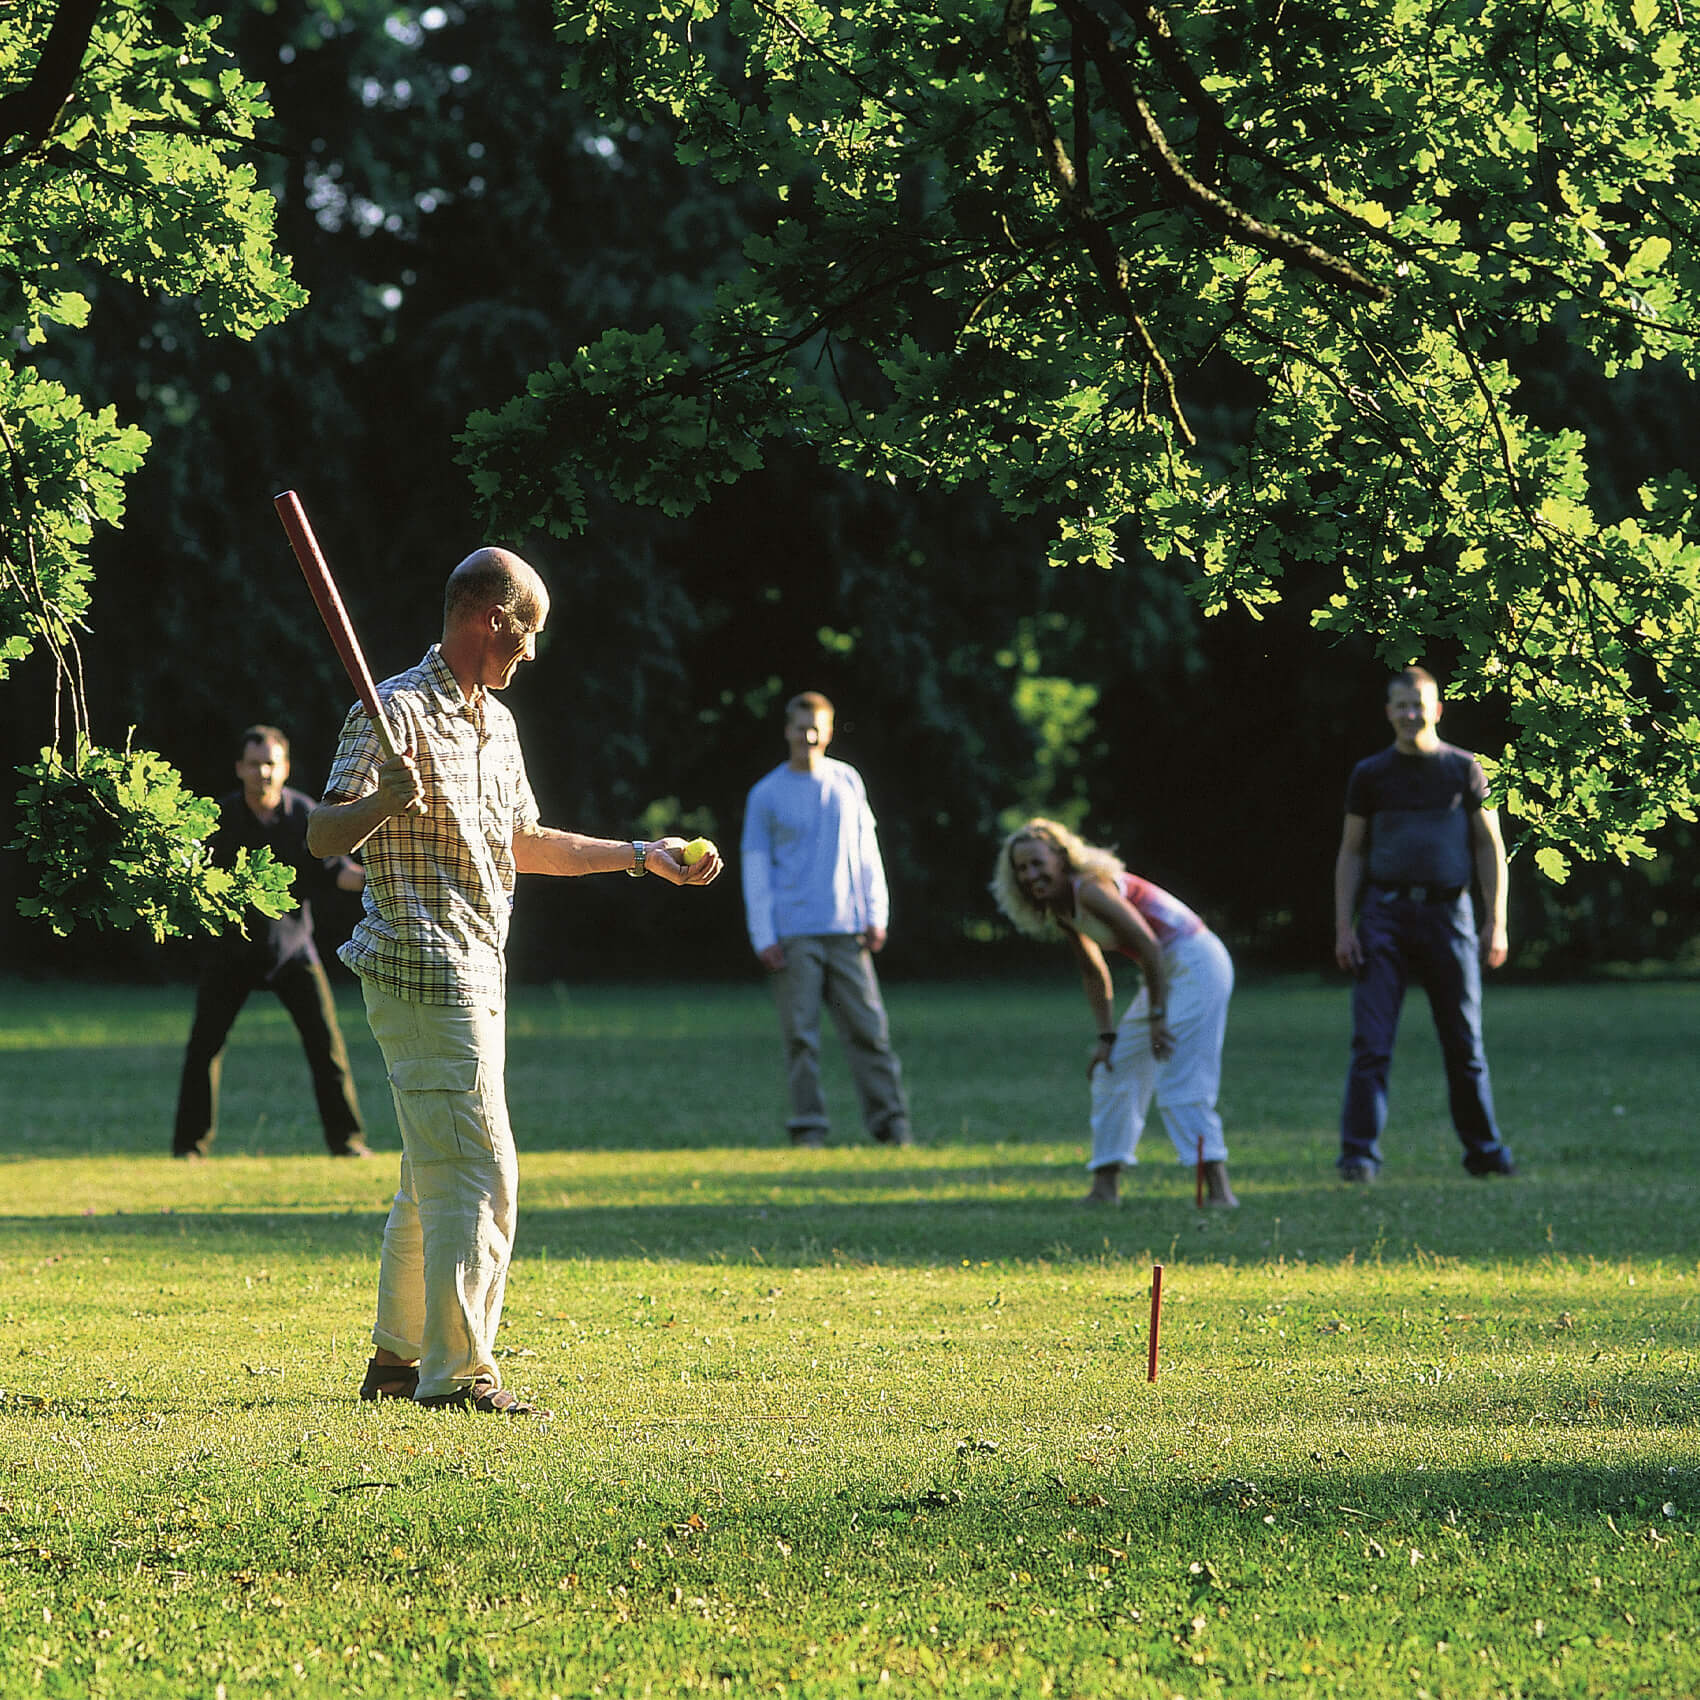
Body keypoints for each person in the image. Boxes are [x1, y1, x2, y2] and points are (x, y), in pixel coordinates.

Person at [307, 546, 721, 1416]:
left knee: (434, 1173)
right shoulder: (390, 711)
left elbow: (526, 843)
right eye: (527, 632)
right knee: (481, 1172)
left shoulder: (497, 726)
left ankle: (395, 1360)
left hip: (480, 968)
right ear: (492, 618)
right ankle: (458, 1377)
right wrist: (381, 802)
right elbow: (321, 836)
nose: (532, 652)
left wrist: (643, 857)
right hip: (421, 967)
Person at [991, 818, 1238, 1208]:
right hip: (1166, 969)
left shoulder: (1089, 889)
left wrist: (1158, 1015)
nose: (1030, 875)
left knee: (1179, 1075)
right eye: (1021, 869)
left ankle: (1219, 1192)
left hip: (1196, 961)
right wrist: (1107, 1038)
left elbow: (1150, 945)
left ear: (1061, 856)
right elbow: (1093, 971)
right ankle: (1104, 1189)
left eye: (1037, 863)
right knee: (1115, 1068)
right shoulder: (1061, 908)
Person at [1333, 666, 1516, 1182]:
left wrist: (1495, 921)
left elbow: (1489, 846)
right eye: (1401, 704)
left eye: (1420, 703)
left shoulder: (1465, 769)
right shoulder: (1370, 774)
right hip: (1383, 917)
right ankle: (1358, 1157)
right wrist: (1344, 927)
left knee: (1465, 1043)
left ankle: (1485, 1152)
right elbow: (1351, 852)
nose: (1411, 713)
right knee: (1371, 1043)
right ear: (1388, 711)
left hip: (1449, 916)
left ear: (1438, 708)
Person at [172, 725, 370, 1161]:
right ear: (239, 768)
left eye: (271, 763)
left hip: (292, 950)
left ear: (285, 769)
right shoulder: (218, 819)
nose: (263, 772)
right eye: (255, 763)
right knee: (203, 1048)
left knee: (327, 1049)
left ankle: (348, 1143)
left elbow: (338, 872)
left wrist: (380, 880)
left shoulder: (305, 816)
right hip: (232, 951)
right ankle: (189, 1148)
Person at [740, 691, 911, 1148]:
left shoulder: (847, 782)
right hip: (793, 933)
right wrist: (764, 935)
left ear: (830, 730)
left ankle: (892, 1125)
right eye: (801, 727)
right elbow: (755, 866)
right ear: (787, 730)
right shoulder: (767, 794)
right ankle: (809, 1128)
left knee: (870, 1033)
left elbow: (866, 852)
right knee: (801, 1037)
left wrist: (877, 913)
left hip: (848, 929)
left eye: (817, 727)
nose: (809, 735)